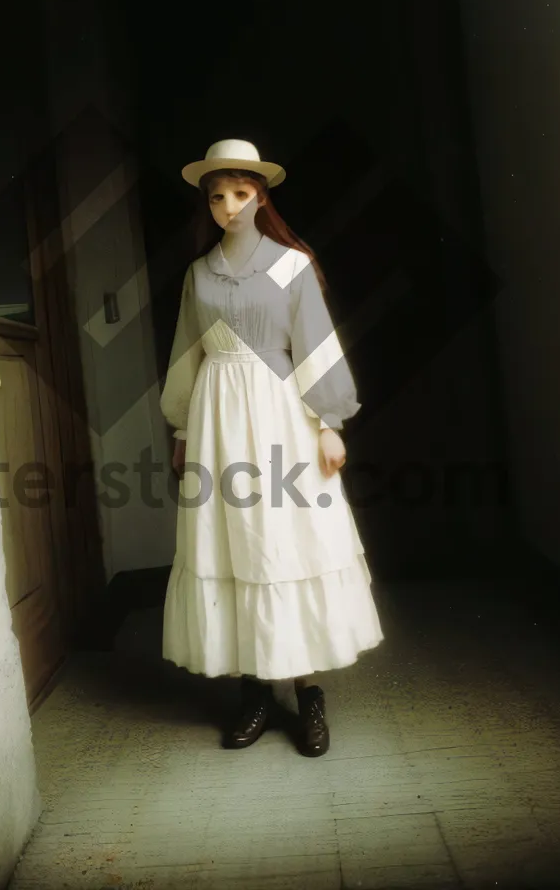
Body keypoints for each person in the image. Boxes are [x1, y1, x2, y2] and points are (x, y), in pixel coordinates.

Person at [159, 138, 384, 757]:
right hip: (216, 421)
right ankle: (255, 693)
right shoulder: (198, 274)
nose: (227, 206)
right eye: (216, 197)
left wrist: (329, 423)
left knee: (283, 542)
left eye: (239, 193)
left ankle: (308, 694)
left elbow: (314, 346)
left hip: (282, 417)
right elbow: (187, 351)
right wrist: (182, 429)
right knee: (234, 544)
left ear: (261, 196)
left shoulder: (289, 266)